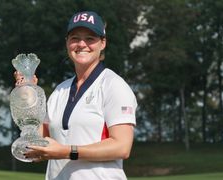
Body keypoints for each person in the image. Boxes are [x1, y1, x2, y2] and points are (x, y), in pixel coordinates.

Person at [14, 11, 137, 180]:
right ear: (67, 43)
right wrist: (28, 96)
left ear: (103, 43)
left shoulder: (113, 85)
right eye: (74, 38)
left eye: (90, 38)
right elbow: (39, 141)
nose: (81, 44)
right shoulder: (60, 90)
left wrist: (67, 152)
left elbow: (122, 147)